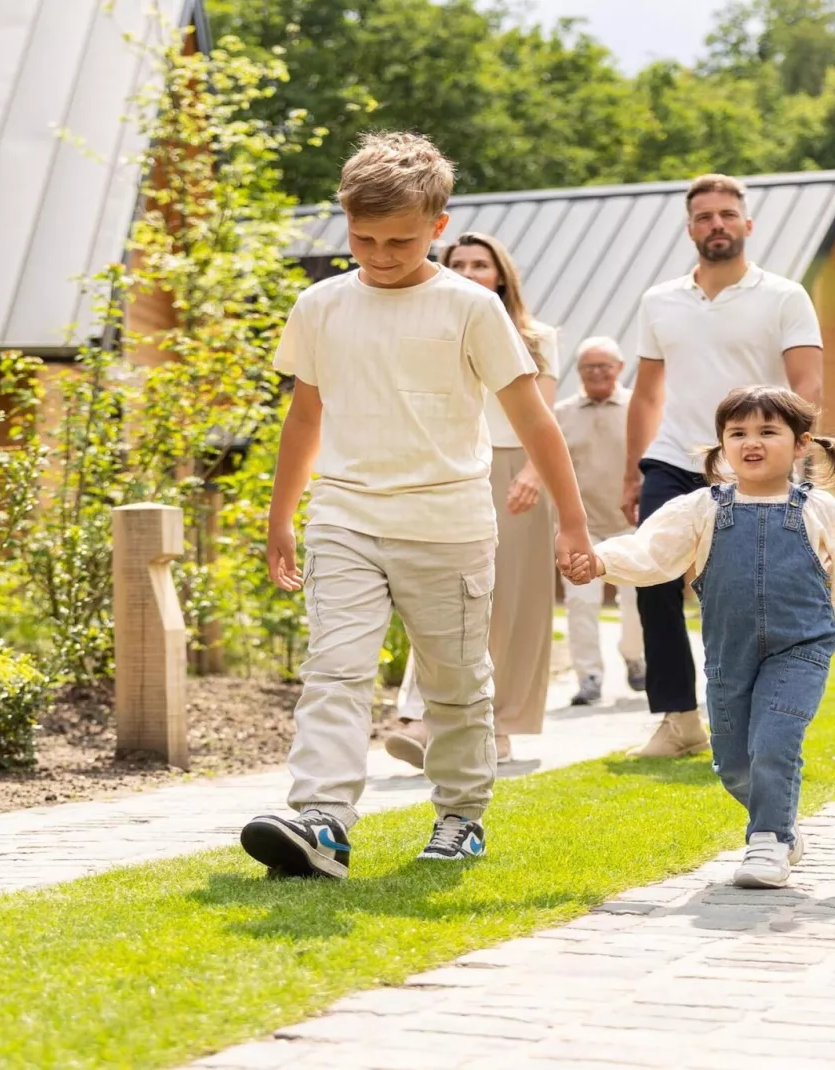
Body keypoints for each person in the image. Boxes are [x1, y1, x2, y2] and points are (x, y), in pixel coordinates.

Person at [239, 132, 594, 877]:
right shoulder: (321, 305)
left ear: (438, 226)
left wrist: (573, 519)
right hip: (345, 518)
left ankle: (462, 815)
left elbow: (534, 419)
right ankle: (322, 821)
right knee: (334, 670)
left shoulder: (470, 308)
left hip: (448, 525)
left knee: (456, 683)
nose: (379, 253)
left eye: (399, 239)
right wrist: (281, 517)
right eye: (362, 237)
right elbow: (305, 418)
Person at [571, 386, 835, 889]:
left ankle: (765, 841)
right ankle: (782, 826)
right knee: (735, 761)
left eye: (767, 431)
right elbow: (652, 550)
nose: (751, 442)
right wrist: (602, 559)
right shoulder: (703, 507)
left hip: (801, 647)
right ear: (721, 446)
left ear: (801, 444)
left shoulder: (821, 511)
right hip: (728, 652)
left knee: (775, 739)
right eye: (737, 433)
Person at [622, 174, 824, 759]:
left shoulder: (785, 296)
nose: (717, 225)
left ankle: (759, 716)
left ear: (747, 225)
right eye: (705, 216)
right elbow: (646, 394)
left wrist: (790, 458)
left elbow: (806, 384)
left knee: (745, 593)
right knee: (652, 576)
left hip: (751, 463)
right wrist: (633, 471)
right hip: (674, 457)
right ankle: (679, 718)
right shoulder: (658, 300)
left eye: (727, 215)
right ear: (691, 229)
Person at [384, 232, 559, 767]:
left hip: (515, 473)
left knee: (511, 607)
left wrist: (534, 472)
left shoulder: (537, 337)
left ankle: (499, 725)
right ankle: (418, 717)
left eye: (481, 264)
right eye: (458, 263)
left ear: (501, 275)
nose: (469, 271)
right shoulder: (428, 331)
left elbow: (543, 417)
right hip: (451, 470)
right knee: (438, 595)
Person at [555, 336, 646, 706]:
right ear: (578, 372)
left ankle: (634, 656)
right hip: (583, 527)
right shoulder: (561, 413)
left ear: (619, 369)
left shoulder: (638, 409)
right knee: (580, 603)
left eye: (604, 366)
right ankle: (589, 676)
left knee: (636, 600)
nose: (597, 373)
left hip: (631, 523)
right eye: (588, 367)